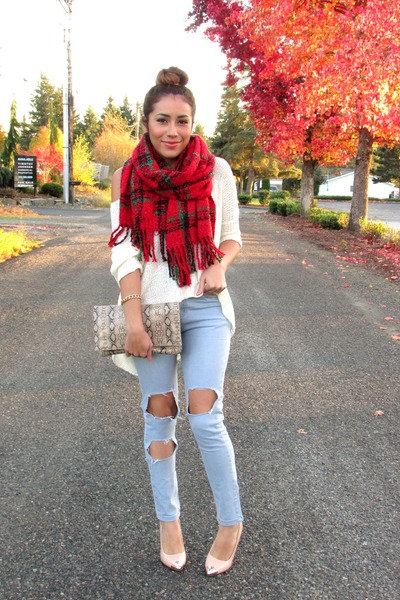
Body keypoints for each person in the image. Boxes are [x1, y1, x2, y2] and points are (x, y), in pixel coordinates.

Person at [109, 66, 243, 576]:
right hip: (152, 312)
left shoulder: (217, 170)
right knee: (158, 418)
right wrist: (133, 318)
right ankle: (170, 521)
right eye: (162, 120)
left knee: (207, 418)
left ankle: (230, 522)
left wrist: (218, 263)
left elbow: (231, 236)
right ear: (146, 122)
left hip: (207, 309)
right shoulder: (128, 174)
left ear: (193, 122)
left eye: (182, 121)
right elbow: (124, 251)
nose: (172, 130)